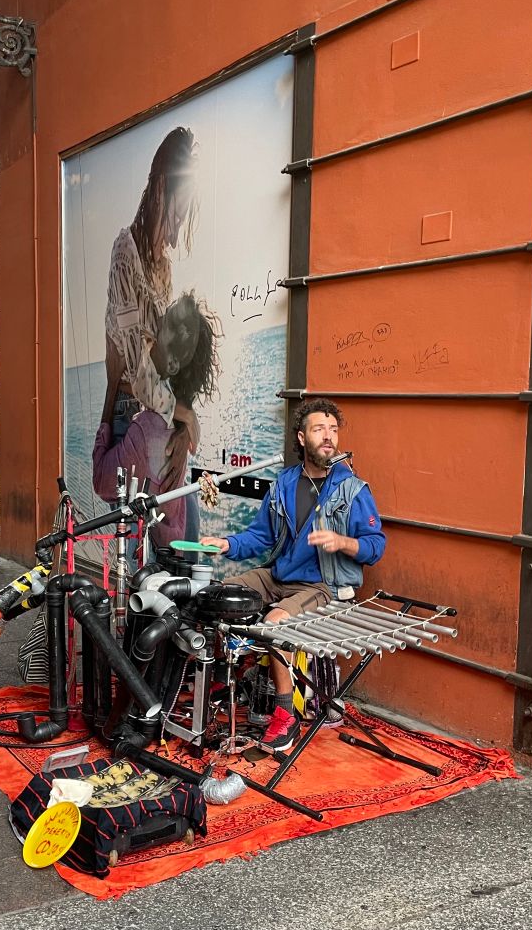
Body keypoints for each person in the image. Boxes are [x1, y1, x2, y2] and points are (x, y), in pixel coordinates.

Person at [201, 398, 386, 752]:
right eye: (319, 429)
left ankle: (285, 715)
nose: (328, 437)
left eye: (333, 430)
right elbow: (261, 537)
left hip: (323, 585)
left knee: (273, 624)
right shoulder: (284, 483)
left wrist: (342, 541)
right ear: (302, 438)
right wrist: (225, 544)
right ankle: (225, 679)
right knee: (213, 596)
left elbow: (375, 546)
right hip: (278, 575)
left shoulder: (352, 490)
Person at [96, 126, 201, 502]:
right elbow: (140, 371)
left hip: (158, 412)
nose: (179, 225)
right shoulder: (125, 250)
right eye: (179, 210)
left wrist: (182, 421)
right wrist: (184, 415)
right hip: (131, 411)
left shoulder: (164, 269)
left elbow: (163, 361)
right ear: (160, 190)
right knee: (140, 537)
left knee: (171, 531)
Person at [93, 292, 222, 547]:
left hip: (149, 553)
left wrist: (112, 387)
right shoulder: (184, 424)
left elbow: (102, 481)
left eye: (162, 330)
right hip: (174, 539)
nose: (156, 325)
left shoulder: (148, 428)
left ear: (173, 364)